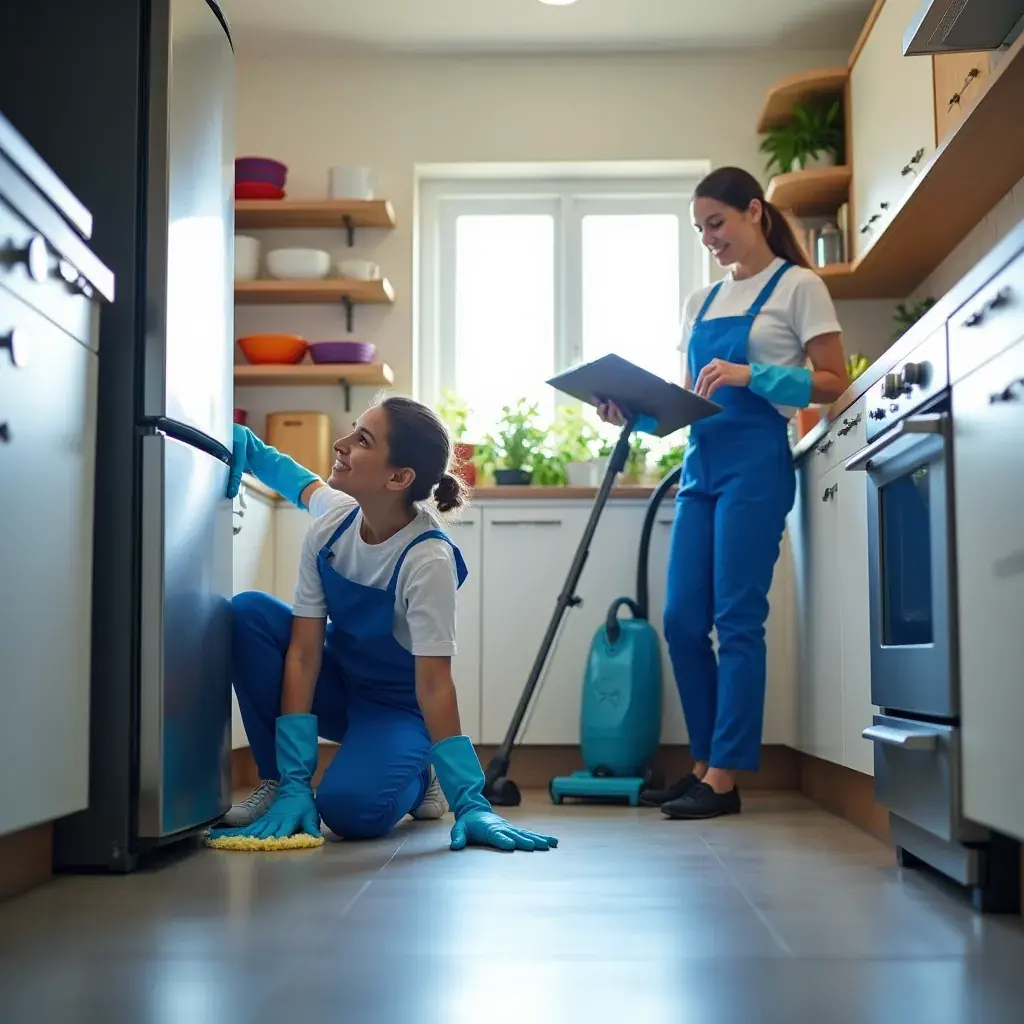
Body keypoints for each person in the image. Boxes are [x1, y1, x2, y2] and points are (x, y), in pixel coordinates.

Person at [597, 167, 849, 820]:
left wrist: (753, 372)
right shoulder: (699, 302)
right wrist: (631, 414)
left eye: (717, 223)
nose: (709, 238)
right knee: (683, 621)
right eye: (700, 229)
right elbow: (687, 405)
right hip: (701, 468)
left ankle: (725, 775)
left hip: (756, 466)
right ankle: (706, 764)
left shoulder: (799, 286)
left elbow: (832, 381)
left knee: (737, 620)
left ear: (754, 213)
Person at [209, 395, 558, 853]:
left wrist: (470, 801)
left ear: (398, 477)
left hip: (398, 710)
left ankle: (419, 775)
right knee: (251, 613)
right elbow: (304, 651)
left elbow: (434, 686)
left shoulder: (427, 558)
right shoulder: (331, 525)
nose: (341, 443)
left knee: (349, 812)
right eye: (352, 431)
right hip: (339, 686)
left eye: (362, 440)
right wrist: (243, 445)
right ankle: (278, 786)